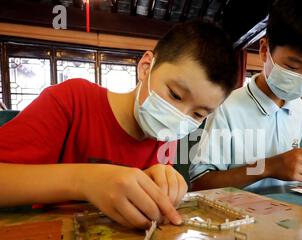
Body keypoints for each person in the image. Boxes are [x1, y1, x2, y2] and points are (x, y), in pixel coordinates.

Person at [0, 21, 238, 228]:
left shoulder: (168, 138)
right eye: (175, 95)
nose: (179, 116)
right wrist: (82, 180)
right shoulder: (72, 101)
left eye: (197, 114)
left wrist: (161, 188)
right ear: (146, 67)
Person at [190, 0, 302, 192]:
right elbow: (200, 182)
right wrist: (267, 167)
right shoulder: (226, 107)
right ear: (263, 50)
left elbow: (287, 167)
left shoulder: (297, 108)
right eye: (292, 67)